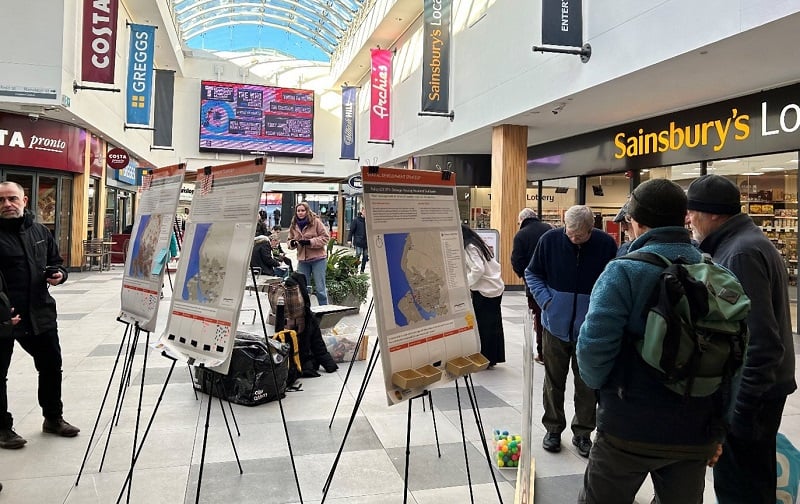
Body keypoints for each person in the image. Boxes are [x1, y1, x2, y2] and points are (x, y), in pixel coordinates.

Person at [576, 179, 726, 503]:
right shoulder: (715, 273)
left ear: (638, 223)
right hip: (695, 428)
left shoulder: (623, 272)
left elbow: (592, 349)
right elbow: (735, 355)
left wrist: (607, 393)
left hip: (628, 428)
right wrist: (718, 427)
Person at [685, 174, 797, 504]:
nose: (688, 219)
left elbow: (761, 341)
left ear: (714, 215)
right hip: (763, 390)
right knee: (753, 480)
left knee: (739, 486)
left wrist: (739, 410)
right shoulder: (745, 243)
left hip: (752, 395)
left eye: (693, 212)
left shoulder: (739, 254)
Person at [524, 205, 616, 457]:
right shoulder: (550, 240)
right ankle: (553, 428)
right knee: (553, 380)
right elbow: (532, 273)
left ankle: (583, 433)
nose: (573, 238)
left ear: (591, 228)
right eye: (569, 233)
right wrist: (547, 301)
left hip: (589, 329)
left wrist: (598, 309)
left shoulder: (606, 244)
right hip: (554, 326)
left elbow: (612, 281)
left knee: (587, 382)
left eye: (579, 235)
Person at [0, 181, 79, 450]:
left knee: (50, 367)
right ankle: (2, 429)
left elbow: (56, 262)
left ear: (24, 201)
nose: (7, 204)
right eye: (1, 200)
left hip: (40, 313)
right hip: (4, 318)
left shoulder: (41, 232)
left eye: (12, 198)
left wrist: (60, 274)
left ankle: (53, 418)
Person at [510, 208, 552, 364]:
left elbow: (517, 260)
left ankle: (542, 353)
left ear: (522, 219)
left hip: (534, 283)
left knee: (538, 315)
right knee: (549, 314)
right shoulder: (549, 229)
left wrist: (525, 276)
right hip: (552, 281)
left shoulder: (521, 234)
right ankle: (551, 350)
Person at [462, 224, 505, 367]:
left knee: (483, 326)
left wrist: (466, 283)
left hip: (484, 290)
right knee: (494, 325)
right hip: (495, 287)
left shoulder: (469, 247)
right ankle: (493, 357)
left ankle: (485, 357)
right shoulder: (477, 243)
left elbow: (477, 268)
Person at [288, 202, 330, 305]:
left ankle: (324, 310)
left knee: (320, 288)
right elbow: (289, 240)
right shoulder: (294, 224)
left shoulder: (315, 222)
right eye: (298, 211)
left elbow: (325, 238)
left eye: (303, 210)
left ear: (307, 211)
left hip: (318, 259)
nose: (300, 213)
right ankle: (306, 311)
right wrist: (292, 243)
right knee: (303, 288)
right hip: (303, 260)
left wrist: (310, 242)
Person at [347, 207, 368, 274]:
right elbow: (351, 230)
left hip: (366, 242)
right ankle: (355, 269)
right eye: (364, 211)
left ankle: (362, 270)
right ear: (362, 211)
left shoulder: (368, 221)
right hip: (358, 241)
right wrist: (349, 239)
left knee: (365, 256)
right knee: (358, 254)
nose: (365, 213)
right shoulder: (356, 220)